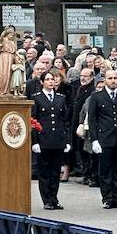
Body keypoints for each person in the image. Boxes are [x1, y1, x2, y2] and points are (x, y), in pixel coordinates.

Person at [87, 68, 117, 209]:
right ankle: (107, 198)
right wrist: (94, 139)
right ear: (105, 80)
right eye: (110, 78)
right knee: (106, 170)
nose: (113, 81)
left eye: (115, 78)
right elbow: (93, 119)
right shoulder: (97, 96)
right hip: (105, 138)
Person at [31, 70, 70, 210]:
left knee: (55, 171)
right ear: (42, 82)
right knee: (44, 171)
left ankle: (54, 198)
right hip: (43, 139)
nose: (51, 81)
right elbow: (33, 121)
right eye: (47, 79)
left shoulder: (61, 98)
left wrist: (66, 140)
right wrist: (35, 141)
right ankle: (46, 199)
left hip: (57, 139)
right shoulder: (36, 98)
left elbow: (65, 121)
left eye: (52, 79)